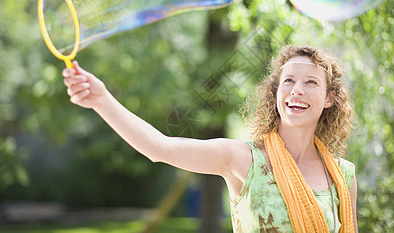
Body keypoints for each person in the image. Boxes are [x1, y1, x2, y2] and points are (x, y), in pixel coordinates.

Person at [63, 45, 358, 233]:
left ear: (330, 98)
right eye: (289, 81)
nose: (296, 90)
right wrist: (102, 100)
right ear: (276, 92)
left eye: (310, 82)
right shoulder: (242, 160)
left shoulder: (343, 176)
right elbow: (159, 148)